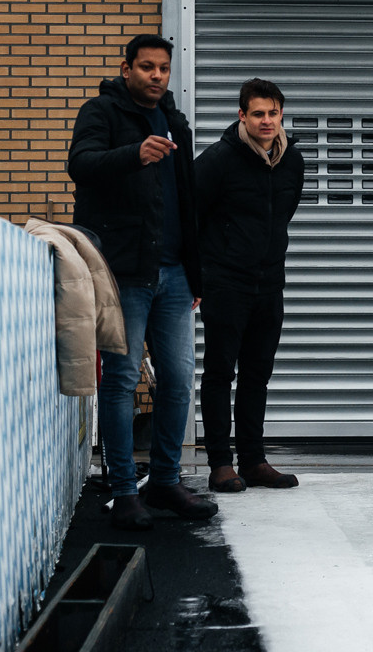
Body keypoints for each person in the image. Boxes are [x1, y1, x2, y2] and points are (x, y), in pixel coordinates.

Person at [67, 34, 217, 529]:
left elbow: (187, 202)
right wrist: (134, 153)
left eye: (163, 68)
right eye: (147, 66)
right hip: (124, 272)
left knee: (178, 380)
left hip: (174, 273)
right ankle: (125, 490)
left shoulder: (175, 121)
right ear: (126, 68)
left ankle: (167, 481)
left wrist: (195, 272)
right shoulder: (102, 112)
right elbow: (80, 166)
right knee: (122, 379)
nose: (156, 75)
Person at [196, 78, 305, 493]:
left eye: (273, 113)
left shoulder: (292, 161)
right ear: (242, 115)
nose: (266, 121)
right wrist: (199, 274)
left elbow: (283, 214)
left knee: (258, 374)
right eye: (257, 113)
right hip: (225, 282)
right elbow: (190, 218)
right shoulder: (218, 160)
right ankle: (220, 464)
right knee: (220, 372)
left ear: (281, 115)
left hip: (269, 283)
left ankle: (254, 461)